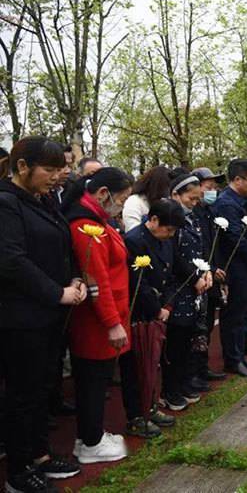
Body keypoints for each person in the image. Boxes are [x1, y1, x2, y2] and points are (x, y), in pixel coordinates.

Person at [0, 138, 84, 492]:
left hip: (51, 313)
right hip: (21, 318)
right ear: (22, 167)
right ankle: (19, 471)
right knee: (23, 394)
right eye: (48, 170)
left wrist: (75, 278)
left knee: (41, 389)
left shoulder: (42, 200)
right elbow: (11, 260)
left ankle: (40, 455)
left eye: (59, 169)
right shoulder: (6, 203)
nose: (57, 176)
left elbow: (62, 243)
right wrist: (57, 292)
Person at [63, 167, 133, 465]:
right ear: (103, 194)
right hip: (97, 322)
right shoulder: (84, 226)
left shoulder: (99, 221)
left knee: (99, 380)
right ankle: (90, 441)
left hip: (110, 315)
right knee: (92, 382)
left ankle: (93, 434)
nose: (121, 206)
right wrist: (112, 323)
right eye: (121, 199)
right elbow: (97, 281)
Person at [123, 199, 189, 437]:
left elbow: (170, 276)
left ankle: (150, 407)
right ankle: (137, 415)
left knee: (154, 362)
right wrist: (155, 309)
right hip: (141, 312)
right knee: (136, 366)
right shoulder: (134, 241)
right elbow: (138, 284)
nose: (170, 235)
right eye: (168, 229)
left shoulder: (165, 241)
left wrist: (168, 305)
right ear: (153, 220)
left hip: (161, 309)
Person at [212, 160, 247, 378]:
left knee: (244, 311)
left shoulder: (244, 199)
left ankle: (242, 350)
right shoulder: (226, 203)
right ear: (237, 179)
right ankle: (233, 359)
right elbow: (236, 237)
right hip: (237, 266)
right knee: (234, 315)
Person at [164, 175, 213, 409]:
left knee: (190, 338)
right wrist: (194, 278)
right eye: (190, 198)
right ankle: (170, 389)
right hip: (179, 287)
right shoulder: (171, 221)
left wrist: (207, 271)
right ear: (176, 195)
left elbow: (201, 250)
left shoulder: (192, 218)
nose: (194, 202)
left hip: (196, 284)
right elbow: (175, 257)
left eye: (197, 198)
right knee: (176, 340)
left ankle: (184, 381)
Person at [190, 167, 228, 382]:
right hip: (199, 275)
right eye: (208, 187)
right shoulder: (192, 214)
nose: (213, 191)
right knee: (197, 326)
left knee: (206, 324)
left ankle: (202, 368)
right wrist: (209, 269)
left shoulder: (209, 212)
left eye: (215, 187)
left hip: (212, 275)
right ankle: (194, 371)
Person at [122, 166, 172, 232]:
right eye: (165, 189)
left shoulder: (161, 202)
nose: (166, 193)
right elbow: (133, 231)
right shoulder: (134, 202)